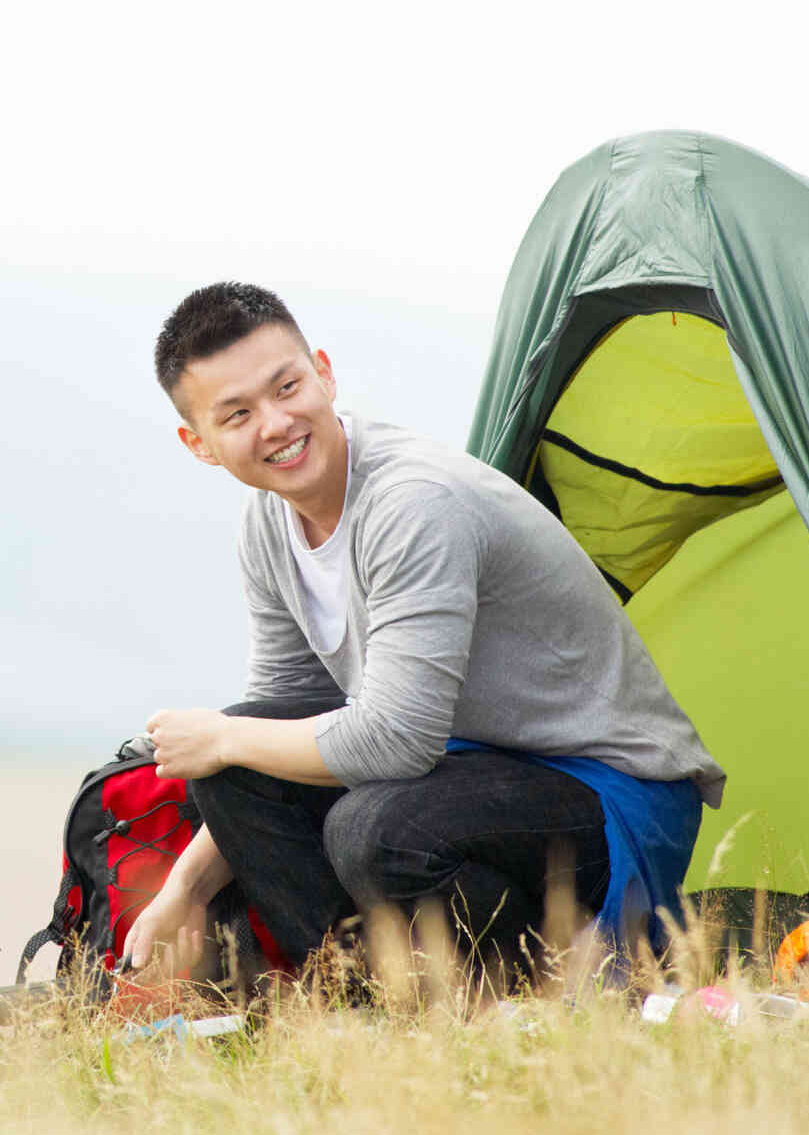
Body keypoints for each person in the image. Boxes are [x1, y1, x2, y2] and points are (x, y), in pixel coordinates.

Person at [122, 283, 725, 991]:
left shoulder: (414, 503)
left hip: (605, 786)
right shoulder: (267, 527)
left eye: (287, 387)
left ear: (323, 372)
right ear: (199, 443)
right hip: (463, 777)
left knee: (371, 827)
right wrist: (185, 888)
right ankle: (361, 1004)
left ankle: (517, 989)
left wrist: (220, 739)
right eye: (238, 414)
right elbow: (274, 723)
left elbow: (393, 742)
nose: (277, 423)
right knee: (241, 760)